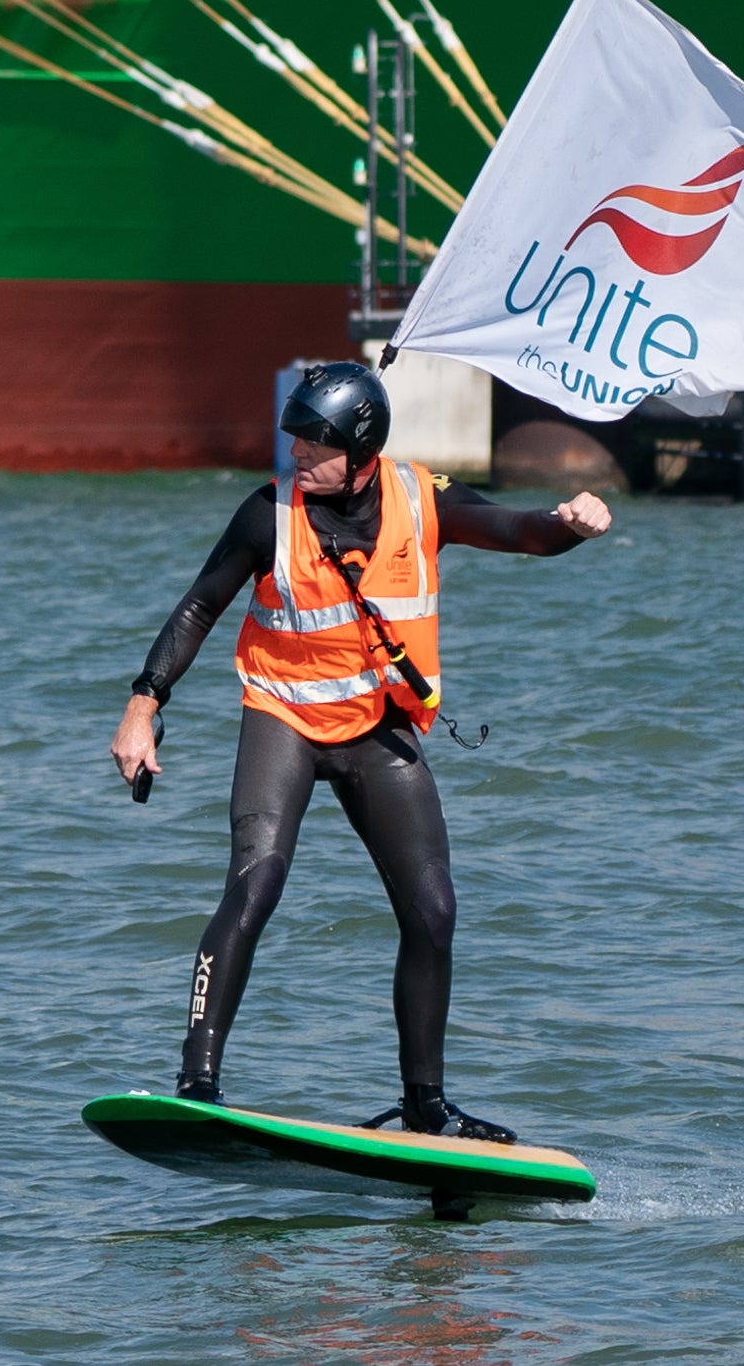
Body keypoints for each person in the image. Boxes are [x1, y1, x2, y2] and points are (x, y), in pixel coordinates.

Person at [110, 358, 610, 1140]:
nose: (296, 456)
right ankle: (197, 1084)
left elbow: (518, 530)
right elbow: (200, 605)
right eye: (293, 439)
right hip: (282, 716)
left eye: (314, 444)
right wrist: (143, 704)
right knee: (256, 884)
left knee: (434, 910)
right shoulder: (266, 514)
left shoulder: (421, 498)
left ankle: (425, 1108)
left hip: (377, 724)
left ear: (363, 446)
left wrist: (568, 524)